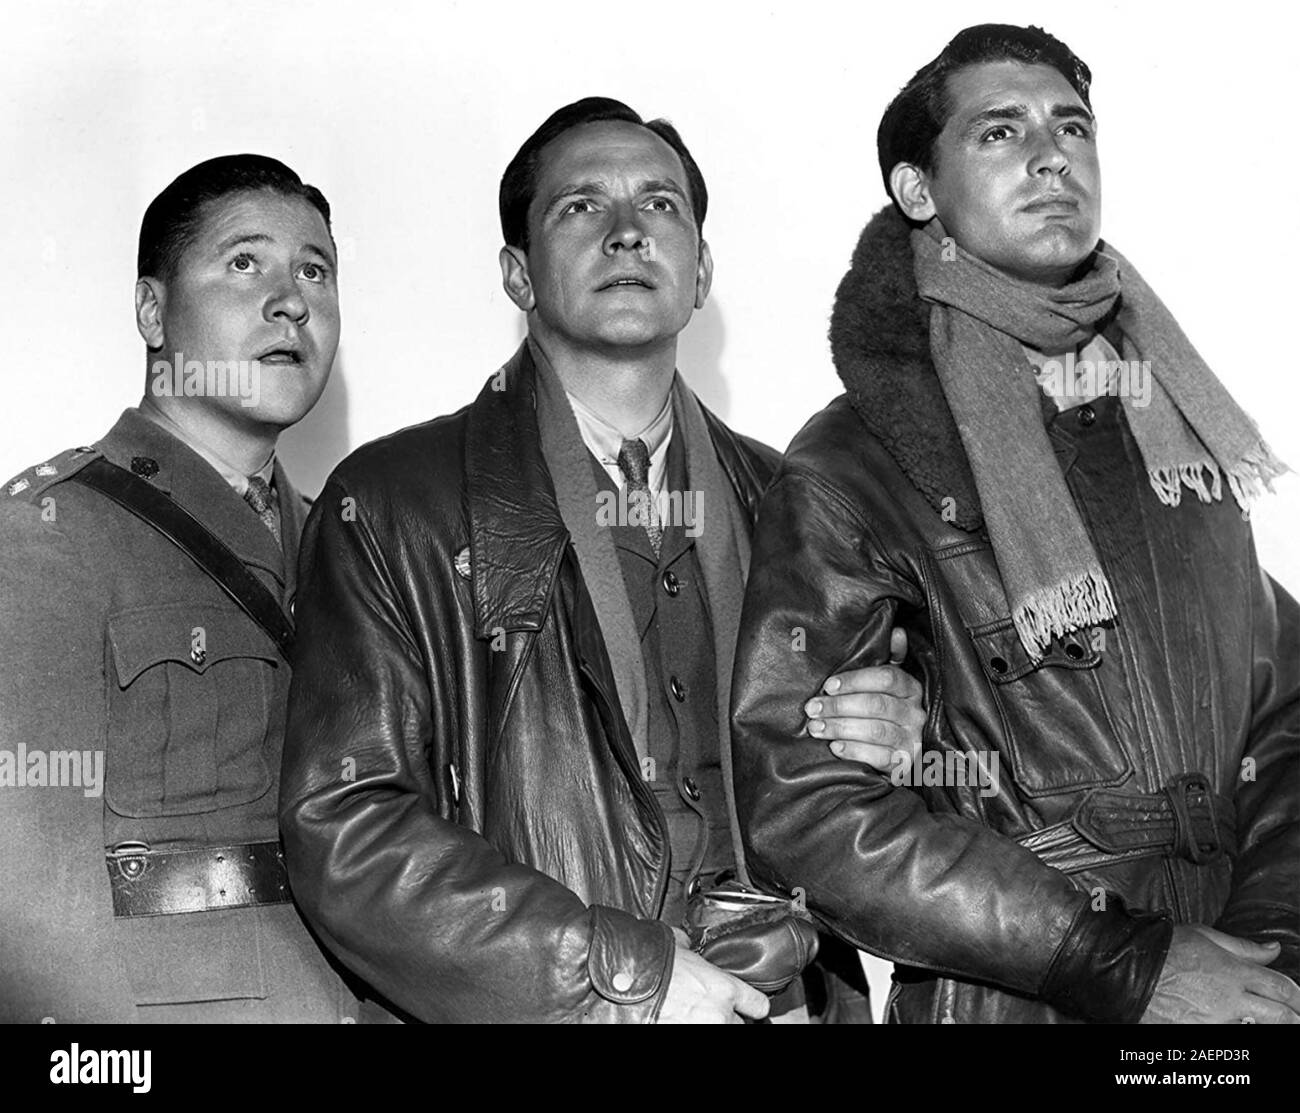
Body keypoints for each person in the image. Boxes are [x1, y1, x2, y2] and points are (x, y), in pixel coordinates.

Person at [279, 97, 923, 1023]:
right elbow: (347, 825)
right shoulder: (388, 501)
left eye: (660, 205)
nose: (627, 232)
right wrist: (623, 974)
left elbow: (885, 795)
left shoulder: (799, 501)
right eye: (580, 207)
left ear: (701, 270)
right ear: (517, 274)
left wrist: (902, 736)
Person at [731, 24, 1300, 1024]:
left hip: (1239, 988)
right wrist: (1117, 961)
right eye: (999, 132)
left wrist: (1266, 956)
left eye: (1072, 127)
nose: (1051, 155)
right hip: (1012, 996)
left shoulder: (1179, 429)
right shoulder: (855, 463)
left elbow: (1286, 723)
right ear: (918, 191)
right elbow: (806, 807)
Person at [0, 154, 357, 1022]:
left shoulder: (350, 546)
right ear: (152, 310)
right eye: (245, 263)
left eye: (315, 270)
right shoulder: (52, 535)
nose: (291, 299)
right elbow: (29, 902)